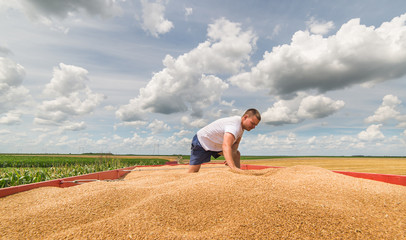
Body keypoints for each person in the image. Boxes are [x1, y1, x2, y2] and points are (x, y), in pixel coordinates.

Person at [188, 108, 261, 173]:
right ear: (245, 117)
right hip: (202, 142)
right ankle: (235, 170)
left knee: (236, 154)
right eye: (252, 123)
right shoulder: (234, 126)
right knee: (193, 171)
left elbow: (235, 144)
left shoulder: (241, 127)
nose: (253, 127)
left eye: (255, 125)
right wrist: (232, 166)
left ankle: (238, 176)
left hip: (216, 145)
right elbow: (226, 146)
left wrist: (232, 156)